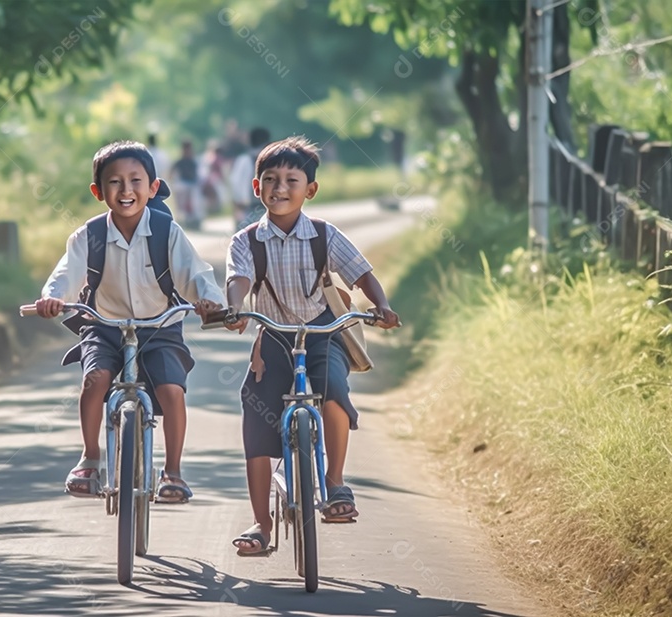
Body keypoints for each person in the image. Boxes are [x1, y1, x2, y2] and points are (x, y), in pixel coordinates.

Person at [222, 136, 400, 555]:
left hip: (323, 331)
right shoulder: (245, 241)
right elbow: (238, 281)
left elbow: (360, 274)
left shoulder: (324, 234)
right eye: (270, 179)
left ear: (310, 190)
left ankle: (336, 484)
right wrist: (235, 308)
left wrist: (383, 305)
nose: (279, 188)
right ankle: (260, 524)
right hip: (273, 336)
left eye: (291, 180)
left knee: (334, 390)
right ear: (256, 187)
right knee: (255, 406)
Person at [34, 140, 225, 504]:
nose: (126, 190)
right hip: (104, 325)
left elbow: (195, 274)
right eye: (115, 182)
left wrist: (209, 302)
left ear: (153, 187)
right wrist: (52, 298)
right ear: (98, 191)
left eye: (136, 181)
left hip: (159, 327)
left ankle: (173, 472)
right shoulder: (88, 236)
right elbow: (65, 275)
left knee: (172, 391)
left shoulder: (168, 232)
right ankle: (90, 458)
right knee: (95, 380)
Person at [229, 127, 271, 229]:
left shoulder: (244, 159)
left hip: (249, 206)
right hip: (269, 205)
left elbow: (235, 182)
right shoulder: (272, 158)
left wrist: (237, 202)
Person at [172, 139, 203, 230]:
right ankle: (182, 219)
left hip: (193, 185)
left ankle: (194, 221)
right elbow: (171, 173)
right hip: (182, 185)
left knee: (195, 201)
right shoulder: (180, 162)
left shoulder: (194, 162)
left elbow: (198, 176)